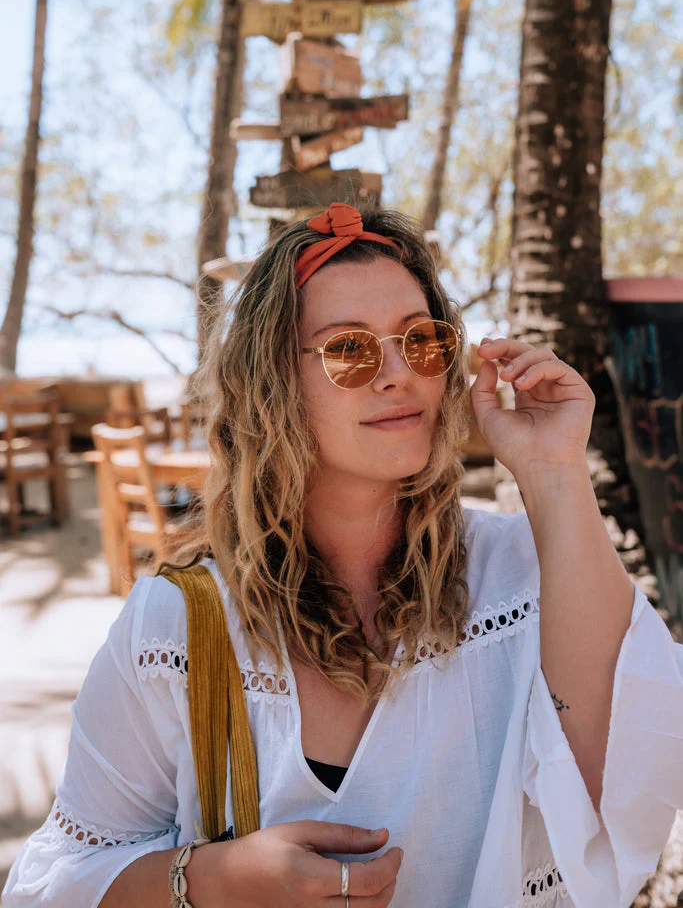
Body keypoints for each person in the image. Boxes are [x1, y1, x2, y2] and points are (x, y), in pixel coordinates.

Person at [4, 203, 682, 908]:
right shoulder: (177, 628)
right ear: (272, 382)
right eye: (350, 349)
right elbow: (55, 882)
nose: (398, 373)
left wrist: (552, 471)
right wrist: (213, 879)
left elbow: (625, 778)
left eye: (421, 339)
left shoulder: (525, 572)